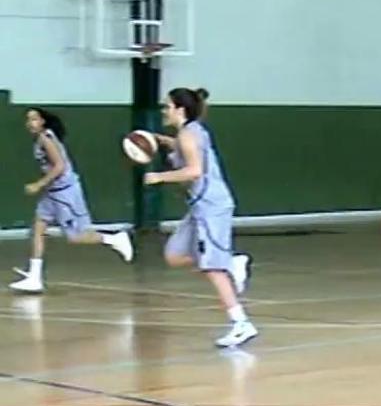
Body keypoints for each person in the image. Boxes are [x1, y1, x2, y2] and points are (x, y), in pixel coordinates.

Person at [144, 88, 256, 348]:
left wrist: (159, 177)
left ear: (179, 110)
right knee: (173, 255)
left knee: (212, 268)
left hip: (211, 207)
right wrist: (162, 140)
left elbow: (194, 171)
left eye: (167, 106)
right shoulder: (190, 132)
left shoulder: (188, 134)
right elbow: (187, 149)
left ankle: (241, 323)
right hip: (199, 208)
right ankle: (229, 261)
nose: (164, 111)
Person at [10, 108, 134, 293]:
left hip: (65, 194)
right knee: (38, 229)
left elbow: (60, 166)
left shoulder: (46, 138)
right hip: (52, 193)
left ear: (43, 122)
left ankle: (115, 238)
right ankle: (35, 278)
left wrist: (38, 184)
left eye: (34, 119)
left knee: (76, 237)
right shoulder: (40, 139)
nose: (30, 123)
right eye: (28, 120)